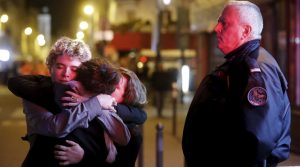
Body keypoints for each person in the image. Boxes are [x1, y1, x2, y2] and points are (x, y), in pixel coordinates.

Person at [182, 1, 291, 167]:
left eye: (223, 23)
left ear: (245, 31)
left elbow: (256, 141)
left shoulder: (255, 69)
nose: (216, 28)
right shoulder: (239, 64)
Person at [8, 37, 147, 167]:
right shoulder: (37, 92)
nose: (66, 73)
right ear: (51, 67)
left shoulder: (90, 91)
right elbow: (55, 127)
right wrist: (96, 102)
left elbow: (139, 115)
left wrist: (85, 155)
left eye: (74, 69)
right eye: (60, 66)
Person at [54, 66, 148, 167]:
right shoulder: (83, 101)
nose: (109, 86)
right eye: (110, 80)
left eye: (116, 86)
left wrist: (84, 157)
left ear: (126, 98)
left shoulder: (131, 133)